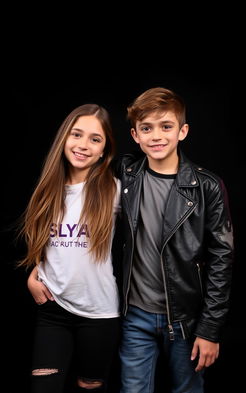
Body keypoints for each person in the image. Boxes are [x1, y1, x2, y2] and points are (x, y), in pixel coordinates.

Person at [116, 87, 234, 393]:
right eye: (147, 128)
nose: (156, 136)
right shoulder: (127, 176)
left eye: (166, 126)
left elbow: (222, 259)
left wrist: (209, 330)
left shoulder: (206, 186)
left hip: (187, 320)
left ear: (182, 131)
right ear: (135, 135)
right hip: (136, 317)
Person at [17, 103, 121, 393]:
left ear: (104, 150)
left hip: (99, 311)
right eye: (77, 134)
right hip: (52, 309)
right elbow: (47, 246)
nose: (83, 145)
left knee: (89, 386)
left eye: (95, 139)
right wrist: (34, 273)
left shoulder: (114, 191)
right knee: (44, 388)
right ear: (64, 138)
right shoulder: (47, 190)